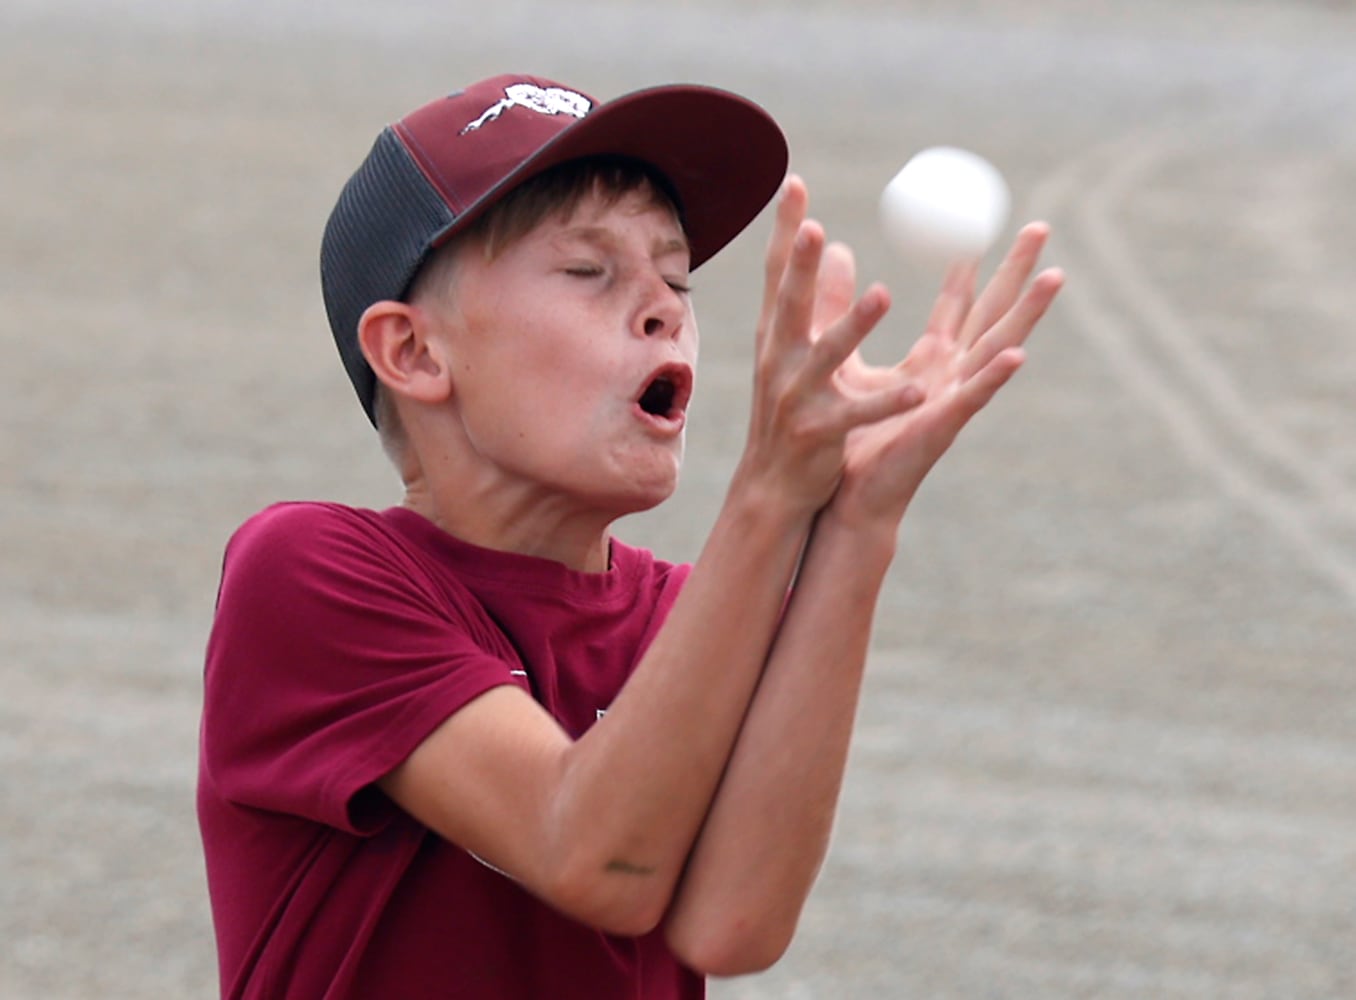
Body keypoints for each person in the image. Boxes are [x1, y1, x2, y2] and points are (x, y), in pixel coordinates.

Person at [197, 73, 1063, 999]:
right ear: (414, 352)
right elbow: (593, 855)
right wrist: (769, 494)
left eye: (677, 276)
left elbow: (735, 924)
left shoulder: (692, 616)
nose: (665, 309)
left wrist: (856, 516)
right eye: (589, 271)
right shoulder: (306, 573)